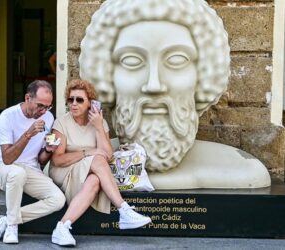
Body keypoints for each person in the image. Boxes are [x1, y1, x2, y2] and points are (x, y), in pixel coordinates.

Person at [79, 0, 271, 189]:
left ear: (203, 76)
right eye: (131, 61)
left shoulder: (239, 169)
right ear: (106, 77)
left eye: (177, 60)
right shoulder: (83, 160)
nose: (154, 85)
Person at [48, 79, 151, 246]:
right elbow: (58, 160)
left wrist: (98, 126)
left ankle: (62, 227)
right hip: (64, 171)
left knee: (95, 179)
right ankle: (123, 209)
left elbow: (108, 155)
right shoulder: (62, 123)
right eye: (70, 99)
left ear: (90, 102)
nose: (74, 104)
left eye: (79, 100)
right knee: (97, 158)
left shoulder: (99, 122)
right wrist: (88, 152)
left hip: (90, 170)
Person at [0, 80, 65, 244]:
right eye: (40, 105)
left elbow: (40, 160)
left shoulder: (48, 118)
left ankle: (7, 220)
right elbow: (7, 158)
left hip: (30, 169)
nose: (43, 111)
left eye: (47, 106)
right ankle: (12, 228)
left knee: (58, 199)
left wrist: (48, 151)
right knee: (17, 172)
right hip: (3, 168)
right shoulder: (7, 116)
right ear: (27, 98)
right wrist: (28, 134)